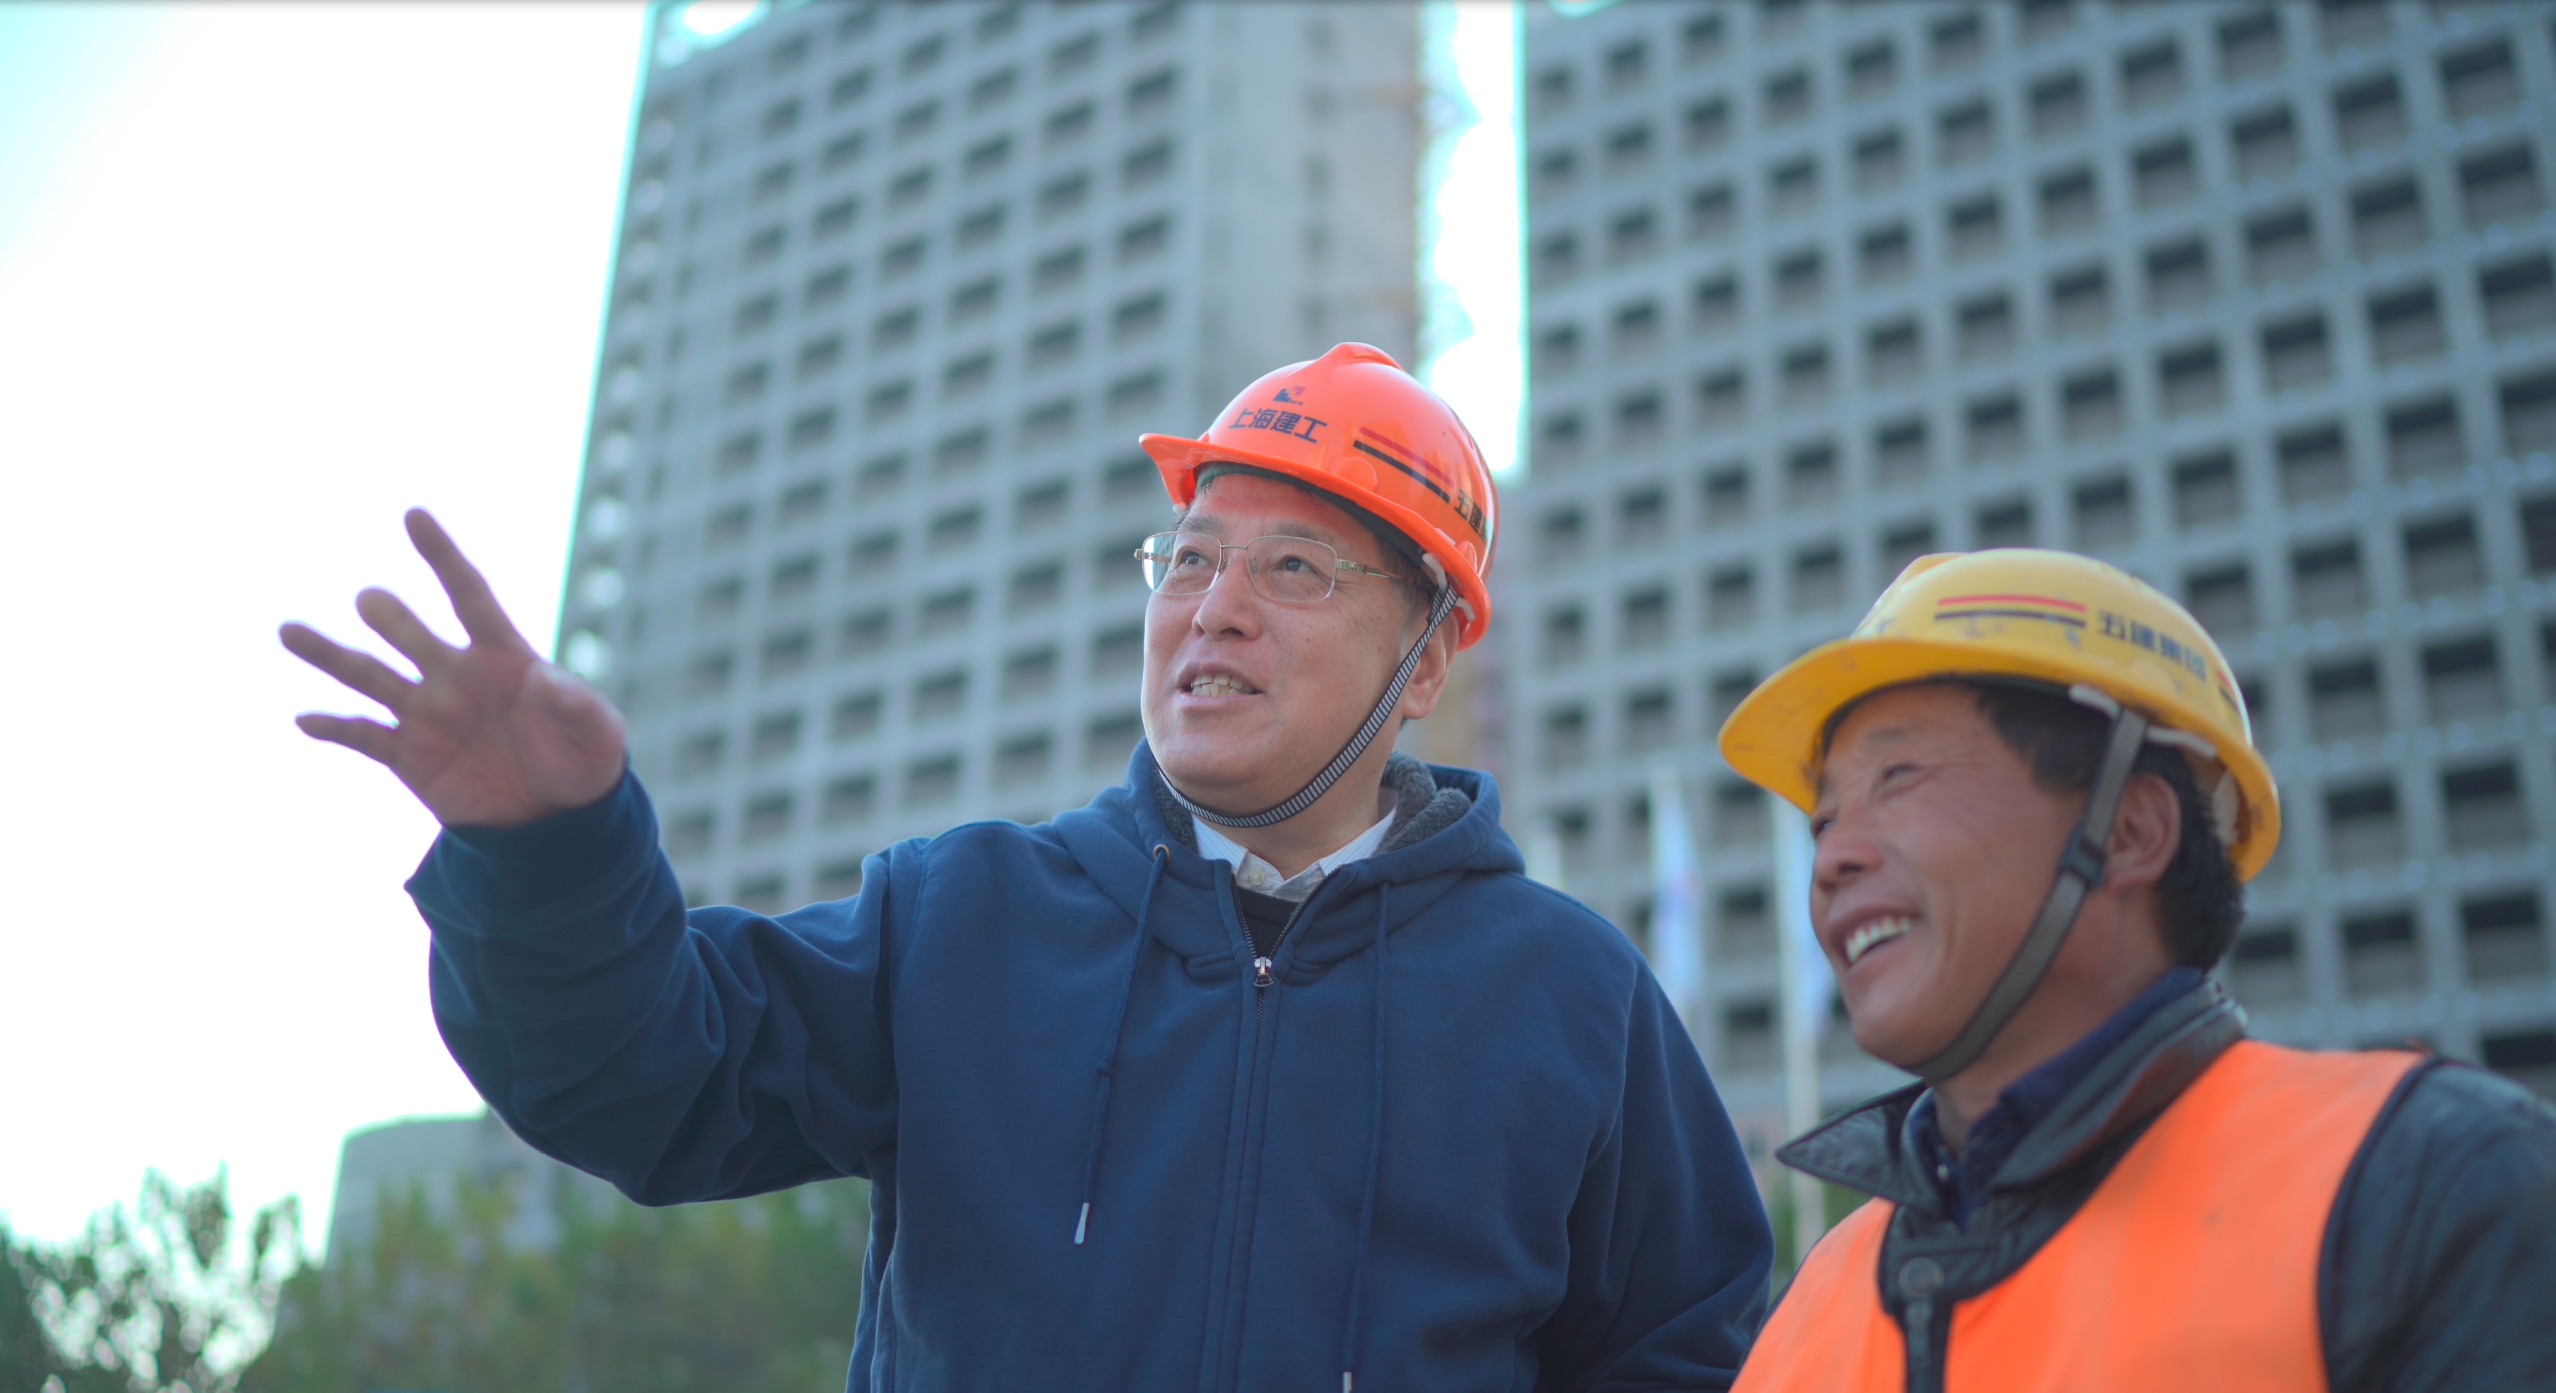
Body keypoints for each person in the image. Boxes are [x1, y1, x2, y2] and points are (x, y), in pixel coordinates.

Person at [281, 343, 1773, 1392]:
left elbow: (1688, 1353)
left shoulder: (1574, 998)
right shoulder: (962, 918)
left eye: (1294, 569)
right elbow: (651, 1080)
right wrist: (548, 853)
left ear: (1431, 654)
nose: (1214, 608)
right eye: (1188, 559)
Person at [1716, 549, 2556, 1392]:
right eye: (1823, 820)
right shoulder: (1816, 1298)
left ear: (2128, 829)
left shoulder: (2428, 1184)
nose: (1832, 859)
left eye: (1899, 776)